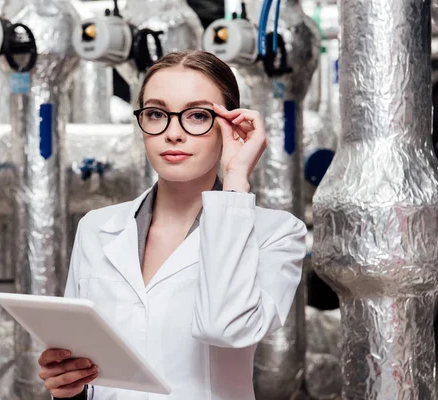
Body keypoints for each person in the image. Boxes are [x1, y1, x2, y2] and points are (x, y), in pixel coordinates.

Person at [38, 50, 307, 399]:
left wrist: (236, 178)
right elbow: (83, 366)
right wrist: (67, 386)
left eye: (197, 115)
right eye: (156, 114)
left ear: (231, 126)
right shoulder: (96, 228)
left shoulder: (276, 234)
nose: (173, 133)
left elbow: (224, 327)